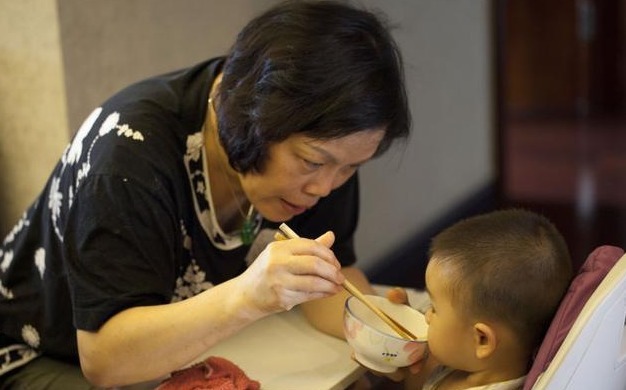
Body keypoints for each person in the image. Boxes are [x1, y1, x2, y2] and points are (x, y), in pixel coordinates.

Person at [0, 1, 410, 388]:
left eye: (351, 167)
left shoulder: (325, 153)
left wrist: (384, 334)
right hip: (37, 354)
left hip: (179, 350)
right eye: (312, 162)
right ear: (256, 118)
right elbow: (105, 359)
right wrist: (248, 297)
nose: (325, 188)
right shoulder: (129, 156)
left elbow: (326, 283)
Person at [375, 209, 573, 389]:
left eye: (434, 308)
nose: (426, 315)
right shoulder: (469, 362)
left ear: (482, 339)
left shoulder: (463, 360)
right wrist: (408, 348)